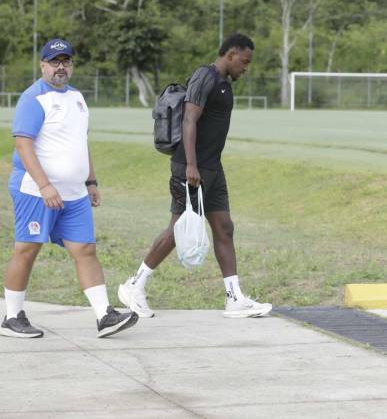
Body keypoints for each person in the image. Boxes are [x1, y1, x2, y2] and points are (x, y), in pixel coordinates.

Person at [118, 33, 272, 318]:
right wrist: (191, 165)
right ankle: (134, 285)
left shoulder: (224, 85)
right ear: (230, 55)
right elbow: (189, 119)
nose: (246, 67)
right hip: (191, 169)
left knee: (224, 228)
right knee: (179, 229)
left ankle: (233, 298)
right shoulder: (205, 76)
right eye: (244, 61)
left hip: (212, 168)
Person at [1, 38, 138, 339]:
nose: (60, 67)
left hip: (74, 193)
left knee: (85, 249)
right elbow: (23, 145)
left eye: (66, 61)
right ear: (43, 65)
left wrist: (91, 181)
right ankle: (12, 317)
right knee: (27, 249)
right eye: (54, 61)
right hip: (36, 191)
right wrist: (45, 185)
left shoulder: (77, 97)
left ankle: (105, 315)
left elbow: (80, 142)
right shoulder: (33, 98)